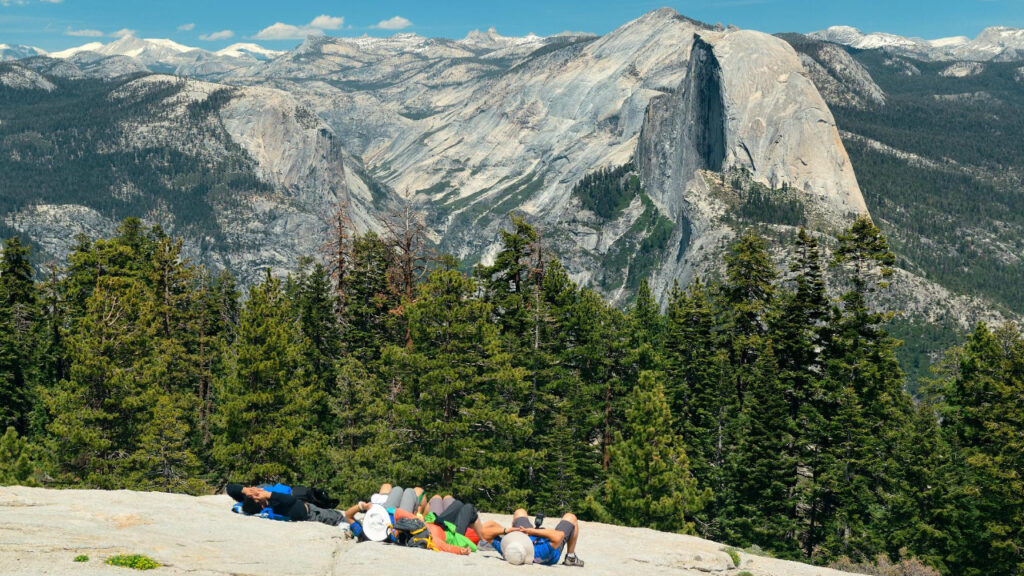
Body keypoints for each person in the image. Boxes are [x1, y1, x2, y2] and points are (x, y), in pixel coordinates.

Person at [480, 508, 584, 567]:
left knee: (519, 512)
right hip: (550, 546)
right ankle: (570, 557)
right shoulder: (540, 551)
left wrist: (507, 530)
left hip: (525, 538)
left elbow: (484, 529)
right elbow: (559, 535)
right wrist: (533, 531)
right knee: (571, 517)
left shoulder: (506, 550)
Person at [226, 483, 345, 527]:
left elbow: (229, 488)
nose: (257, 490)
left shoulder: (250, 500)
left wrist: (246, 490)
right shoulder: (277, 508)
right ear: (262, 506)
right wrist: (268, 495)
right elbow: (292, 502)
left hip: (300, 498)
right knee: (339, 517)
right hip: (312, 512)